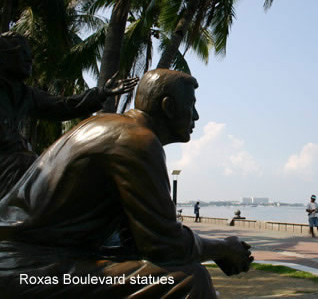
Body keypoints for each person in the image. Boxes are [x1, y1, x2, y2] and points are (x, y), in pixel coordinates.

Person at [0, 69, 253, 298]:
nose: (196, 116)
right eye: (192, 106)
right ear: (168, 107)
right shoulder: (135, 141)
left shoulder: (109, 125)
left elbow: (137, 241)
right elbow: (165, 245)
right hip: (25, 268)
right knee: (187, 281)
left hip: (29, 259)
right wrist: (224, 248)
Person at [0, 31, 138, 198]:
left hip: (15, 159)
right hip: (11, 163)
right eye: (21, 54)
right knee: (26, 167)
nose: (30, 60)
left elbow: (64, 106)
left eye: (29, 55)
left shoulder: (25, 94)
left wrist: (101, 93)